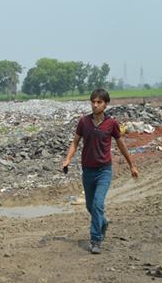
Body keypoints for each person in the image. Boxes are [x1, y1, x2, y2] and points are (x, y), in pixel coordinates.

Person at [60, 88, 139, 254]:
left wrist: (132, 165)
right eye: (93, 102)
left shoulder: (111, 124)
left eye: (99, 102)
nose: (95, 105)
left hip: (104, 171)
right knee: (90, 206)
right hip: (88, 170)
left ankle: (95, 240)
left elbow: (121, 145)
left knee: (97, 203)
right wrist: (67, 159)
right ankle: (103, 222)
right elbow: (75, 142)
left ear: (106, 104)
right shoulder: (83, 122)